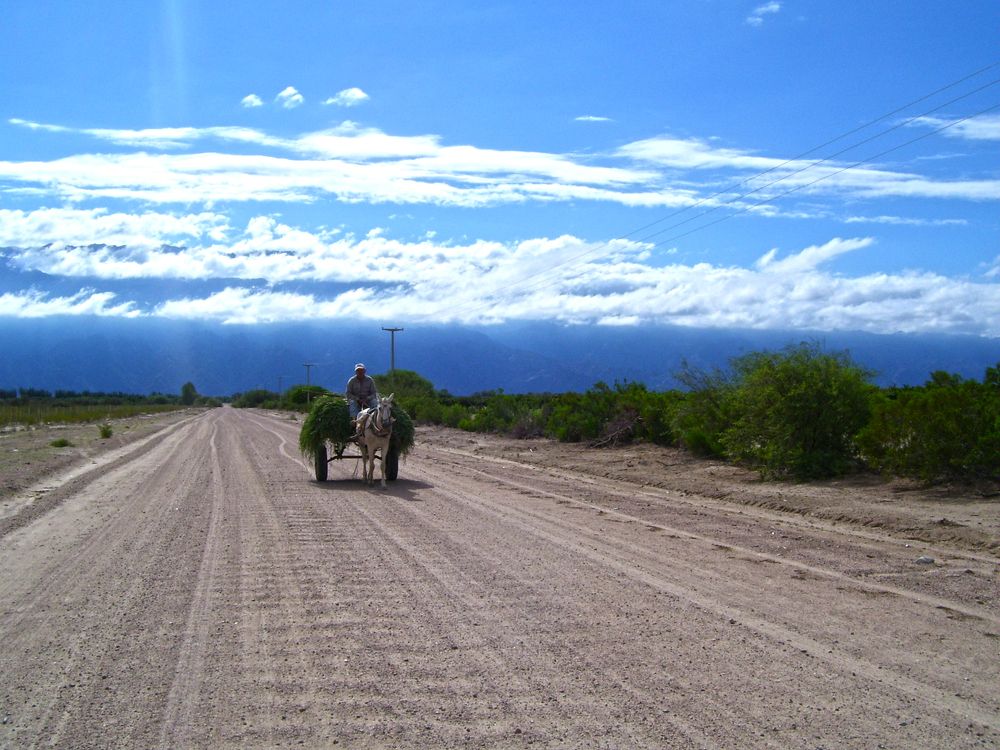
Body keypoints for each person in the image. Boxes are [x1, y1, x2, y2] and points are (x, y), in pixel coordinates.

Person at [346, 363, 379, 437]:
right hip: (356, 400)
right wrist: (357, 399)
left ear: (364, 371)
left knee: (375, 403)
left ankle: (376, 420)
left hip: (367, 400)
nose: (360, 372)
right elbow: (348, 393)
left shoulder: (369, 380)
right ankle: (355, 422)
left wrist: (367, 398)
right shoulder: (351, 381)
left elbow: (374, 393)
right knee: (352, 404)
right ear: (356, 372)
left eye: (361, 370)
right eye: (358, 371)